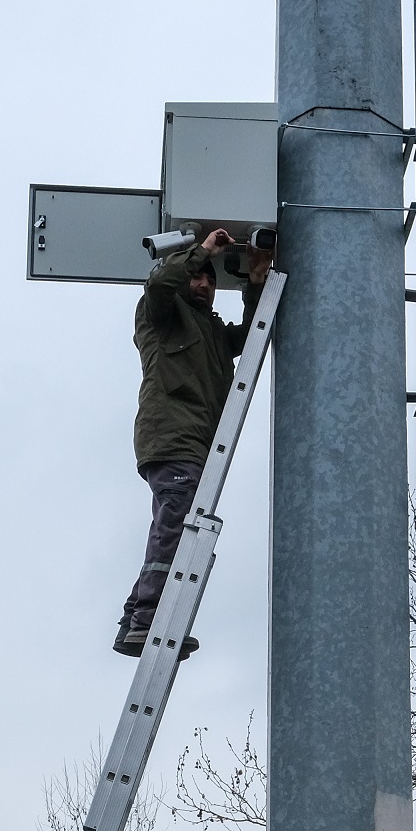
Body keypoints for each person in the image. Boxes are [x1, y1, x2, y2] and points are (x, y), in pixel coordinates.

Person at [117, 226, 273, 658]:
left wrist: (257, 280)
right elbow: (161, 284)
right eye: (197, 276)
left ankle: (135, 617)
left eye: (210, 278)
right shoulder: (160, 313)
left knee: (174, 523)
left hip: (193, 443)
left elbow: (252, 336)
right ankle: (149, 617)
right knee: (178, 526)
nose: (204, 283)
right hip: (172, 437)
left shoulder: (211, 332)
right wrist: (201, 248)